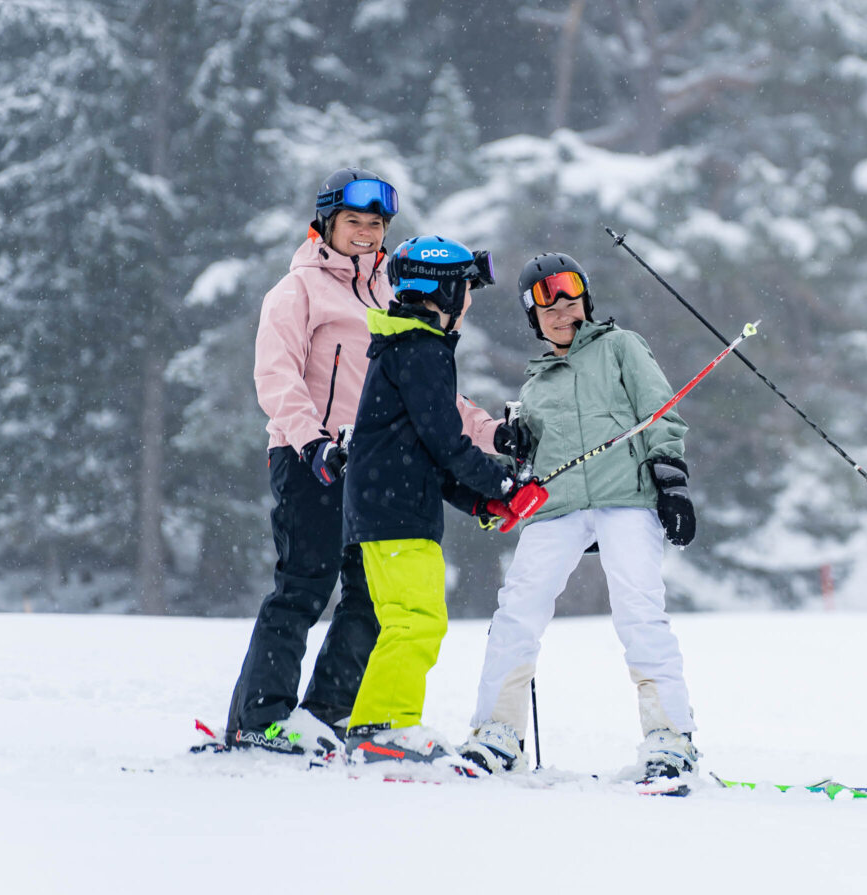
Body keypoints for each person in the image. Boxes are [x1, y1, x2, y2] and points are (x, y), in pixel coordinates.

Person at [222, 170, 499, 756]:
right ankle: (258, 719)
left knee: (371, 599)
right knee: (304, 584)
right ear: (325, 224)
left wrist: (493, 434)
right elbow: (277, 376)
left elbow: (429, 397)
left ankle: (327, 715)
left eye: (376, 225)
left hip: (373, 468)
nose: (367, 234)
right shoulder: (297, 292)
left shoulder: (391, 297)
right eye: (354, 222)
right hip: (312, 458)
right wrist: (311, 442)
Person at [457, 253, 701, 785]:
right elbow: (532, 462)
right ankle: (497, 733)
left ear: (586, 300)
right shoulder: (535, 384)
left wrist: (671, 481)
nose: (562, 309)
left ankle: (670, 737)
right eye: (547, 304)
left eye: (570, 296)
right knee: (518, 607)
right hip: (559, 506)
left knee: (639, 609)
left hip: (625, 497)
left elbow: (661, 409)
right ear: (533, 318)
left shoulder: (620, 347)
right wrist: (515, 453)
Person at [338, 236, 540, 768]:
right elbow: (449, 444)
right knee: (416, 621)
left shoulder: (409, 347)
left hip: (390, 506)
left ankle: (377, 726)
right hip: (395, 512)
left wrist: (481, 505)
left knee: (407, 619)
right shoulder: (421, 350)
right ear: (444, 292)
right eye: (466, 289)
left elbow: (429, 450)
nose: (469, 301)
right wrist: (503, 485)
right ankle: (382, 729)